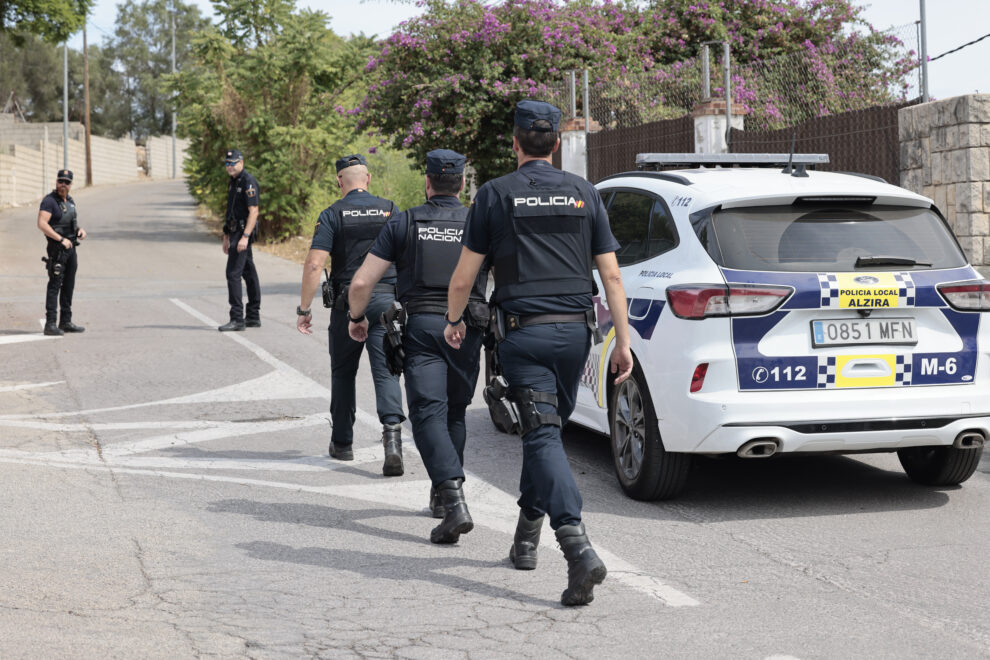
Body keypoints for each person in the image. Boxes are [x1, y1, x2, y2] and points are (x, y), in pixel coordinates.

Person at [444, 100, 634, 606]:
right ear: (554, 145)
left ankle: (577, 550)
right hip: (576, 337)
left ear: (514, 143)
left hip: (524, 338)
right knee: (543, 434)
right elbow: (611, 276)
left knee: (543, 437)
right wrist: (624, 342)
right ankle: (526, 539)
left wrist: (455, 321)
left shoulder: (494, 195)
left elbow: (464, 278)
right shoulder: (584, 192)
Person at [347, 149, 489, 544]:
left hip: (424, 327)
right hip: (468, 326)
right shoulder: (479, 223)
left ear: (427, 182)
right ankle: (442, 498)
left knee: (427, 413)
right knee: (456, 411)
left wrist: (356, 319)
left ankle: (452, 500)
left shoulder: (405, 221)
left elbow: (361, 284)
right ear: (461, 184)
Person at [296, 153, 406, 476]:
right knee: (387, 371)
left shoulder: (332, 214)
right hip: (386, 301)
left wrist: (304, 309)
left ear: (339, 182)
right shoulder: (389, 209)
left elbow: (315, 263)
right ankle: (393, 442)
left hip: (348, 304)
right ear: (368, 179)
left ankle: (342, 443)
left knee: (343, 372)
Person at [37, 169, 87, 336]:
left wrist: (79, 230)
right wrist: (60, 239)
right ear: (56, 182)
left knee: (68, 285)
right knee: (55, 285)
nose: (63, 185)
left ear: (71, 184)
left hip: (71, 248)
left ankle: (65, 321)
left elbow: (70, 223)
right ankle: (50, 323)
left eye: (66, 182)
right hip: (57, 249)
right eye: (60, 181)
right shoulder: (49, 201)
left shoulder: (70, 201)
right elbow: (42, 224)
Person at [219, 149, 261, 331]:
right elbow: (231, 211)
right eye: (227, 163)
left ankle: (237, 318)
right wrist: (226, 235)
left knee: (233, 274)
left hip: (243, 232)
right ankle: (253, 316)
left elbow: (254, 211)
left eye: (233, 163)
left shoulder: (248, 182)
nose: (229, 166)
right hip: (234, 231)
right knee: (248, 272)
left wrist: (245, 236)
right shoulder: (233, 182)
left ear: (241, 163)